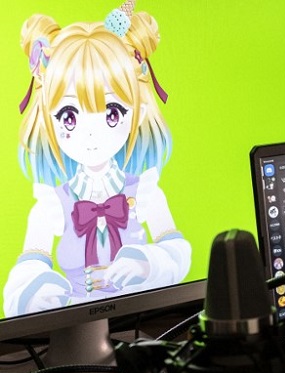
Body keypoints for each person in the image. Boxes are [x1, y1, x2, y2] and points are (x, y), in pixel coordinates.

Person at [4, 2, 191, 317]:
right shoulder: (52, 202)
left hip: (143, 319)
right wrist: (37, 291)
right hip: (72, 322)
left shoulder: (144, 190)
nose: (91, 135)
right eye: (69, 116)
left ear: (138, 110)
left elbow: (178, 252)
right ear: (48, 118)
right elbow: (29, 264)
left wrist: (146, 264)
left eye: (112, 113)